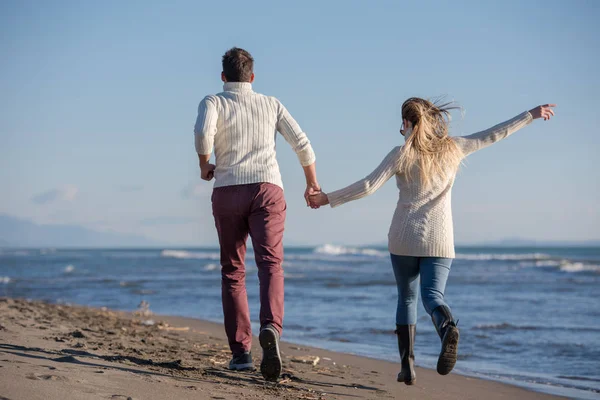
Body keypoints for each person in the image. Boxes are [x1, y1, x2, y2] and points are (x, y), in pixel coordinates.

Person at [309, 98, 556, 384]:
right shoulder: (454, 148)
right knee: (432, 296)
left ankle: (407, 366)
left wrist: (326, 198)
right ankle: (447, 326)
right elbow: (493, 134)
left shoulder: (400, 153)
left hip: (403, 238)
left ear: (407, 123)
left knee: (407, 298)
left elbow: (368, 186)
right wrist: (530, 115)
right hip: (440, 240)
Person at [194, 47, 320, 381]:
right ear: (252, 77)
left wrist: (205, 164)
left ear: (223, 77)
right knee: (270, 265)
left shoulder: (213, 101)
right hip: (267, 189)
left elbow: (202, 133)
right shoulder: (271, 103)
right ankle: (271, 329)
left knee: (233, 271)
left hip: (228, 190)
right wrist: (311, 184)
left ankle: (240, 353)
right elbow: (303, 144)